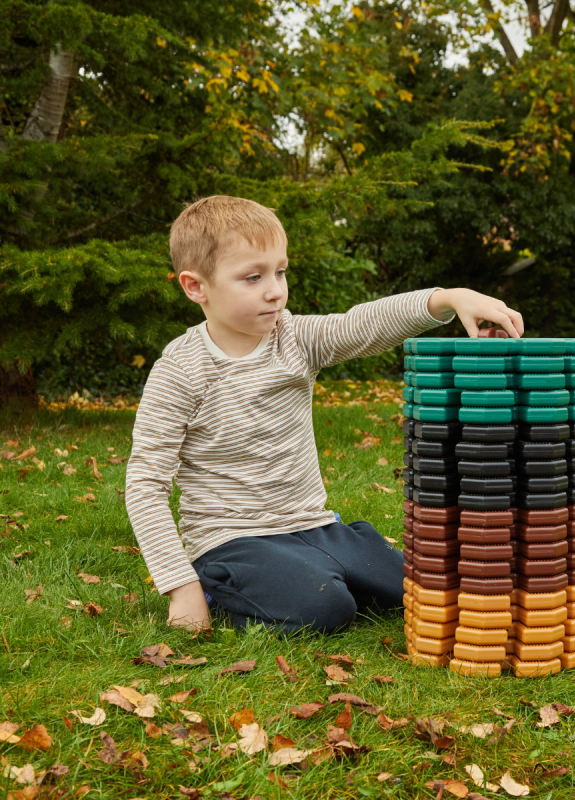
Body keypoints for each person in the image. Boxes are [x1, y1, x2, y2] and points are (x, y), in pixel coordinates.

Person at [125, 195, 524, 633]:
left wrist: (446, 299)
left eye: (280, 272)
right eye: (252, 277)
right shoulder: (180, 370)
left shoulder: (295, 337)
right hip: (231, 540)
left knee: (420, 589)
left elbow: (362, 324)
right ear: (196, 286)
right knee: (327, 608)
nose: (275, 289)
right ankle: (215, 587)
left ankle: (336, 556)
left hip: (312, 526)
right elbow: (146, 484)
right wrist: (180, 586)